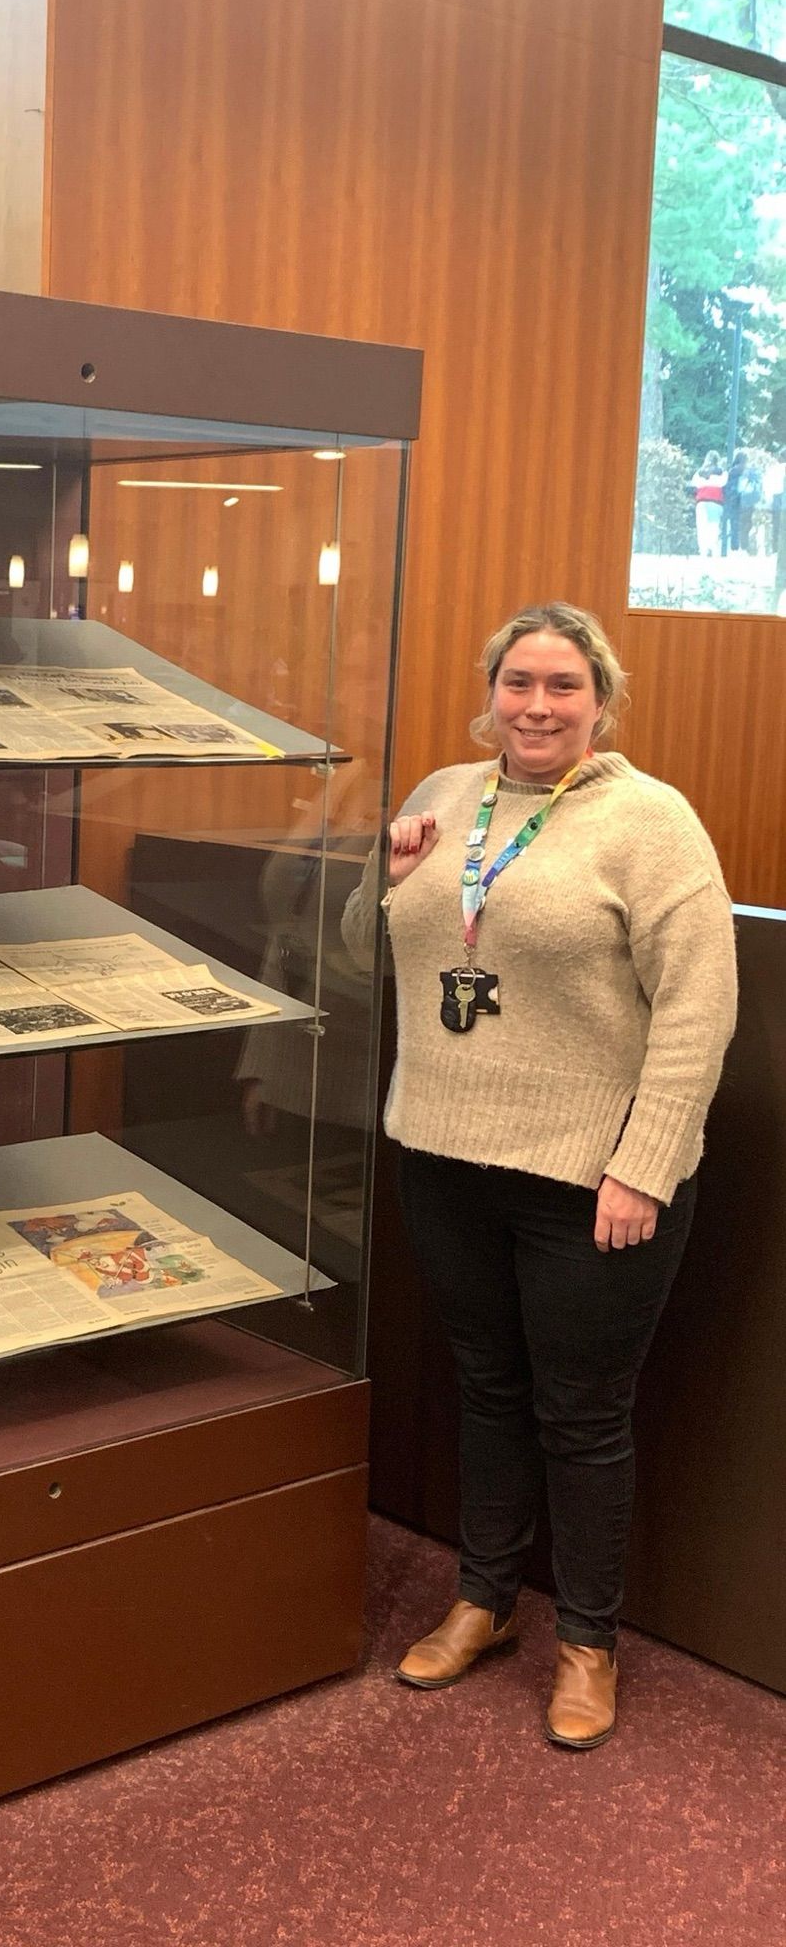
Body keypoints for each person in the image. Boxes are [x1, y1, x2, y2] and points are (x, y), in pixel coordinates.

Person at [341, 602, 736, 1751]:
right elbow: (371, 946)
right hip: (446, 1153)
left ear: (600, 700)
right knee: (488, 1388)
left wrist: (644, 1166)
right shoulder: (440, 798)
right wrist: (388, 871)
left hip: (590, 1180)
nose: (537, 706)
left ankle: (589, 1643)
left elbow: (699, 1012)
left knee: (584, 1414)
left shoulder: (651, 820)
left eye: (564, 686)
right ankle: (485, 1599)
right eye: (520, 682)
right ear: (492, 689)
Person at [689, 454, 725, 557]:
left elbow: (693, 485)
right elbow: (724, 484)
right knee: (714, 527)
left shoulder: (699, 473)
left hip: (701, 502)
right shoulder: (721, 472)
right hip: (715, 502)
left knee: (702, 527)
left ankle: (703, 550)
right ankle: (714, 549)